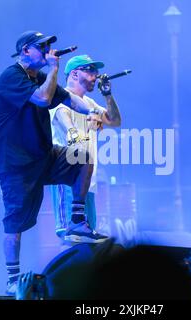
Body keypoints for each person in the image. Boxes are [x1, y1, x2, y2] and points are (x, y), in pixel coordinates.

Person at [0, 31, 107, 295]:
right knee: (15, 223)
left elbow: (68, 99)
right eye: (42, 47)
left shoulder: (41, 77)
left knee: (83, 156)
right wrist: (53, 68)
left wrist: (96, 111)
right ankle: (12, 277)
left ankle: (77, 217)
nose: (48, 50)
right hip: (15, 162)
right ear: (25, 50)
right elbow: (42, 98)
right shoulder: (11, 76)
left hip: (42, 155)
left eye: (49, 46)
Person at [50, 54, 122, 241]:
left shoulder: (89, 104)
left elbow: (115, 120)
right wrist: (75, 133)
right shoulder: (60, 99)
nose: (96, 76)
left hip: (86, 181)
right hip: (67, 177)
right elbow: (66, 126)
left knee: (88, 237)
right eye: (90, 71)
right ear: (74, 74)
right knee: (71, 235)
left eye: (96, 71)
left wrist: (107, 95)